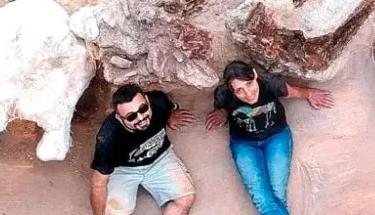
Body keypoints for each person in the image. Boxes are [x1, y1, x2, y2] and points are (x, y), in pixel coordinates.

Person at [206, 61, 334, 215]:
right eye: (239, 90)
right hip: (244, 144)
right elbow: (224, 108)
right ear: (231, 90)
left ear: (255, 75)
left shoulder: (269, 83)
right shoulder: (223, 94)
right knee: (263, 199)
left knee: (276, 194)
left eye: (249, 84)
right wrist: (223, 112)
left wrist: (310, 94)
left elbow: (293, 92)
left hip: (276, 137)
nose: (248, 94)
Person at [90, 85, 197, 215]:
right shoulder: (108, 137)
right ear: (119, 118)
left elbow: (170, 105)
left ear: (147, 100)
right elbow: (98, 184)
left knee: (185, 200)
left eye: (143, 109)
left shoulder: (158, 101)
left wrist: (170, 115)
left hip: (160, 158)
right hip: (124, 170)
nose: (141, 118)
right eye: (131, 117)